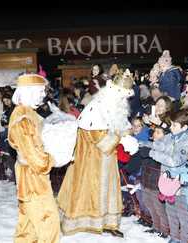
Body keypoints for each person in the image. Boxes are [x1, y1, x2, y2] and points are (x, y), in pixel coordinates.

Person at [58, 69, 134, 237]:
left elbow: (119, 125)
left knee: (108, 189)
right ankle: (83, 221)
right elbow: (96, 136)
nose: (124, 100)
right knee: (90, 188)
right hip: (91, 159)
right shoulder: (97, 107)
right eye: (122, 96)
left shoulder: (114, 106)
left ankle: (108, 222)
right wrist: (120, 138)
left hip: (107, 158)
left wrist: (127, 135)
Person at [8, 74, 60, 243]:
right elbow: (32, 154)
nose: (42, 95)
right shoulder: (23, 118)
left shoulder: (29, 113)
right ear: (27, 92)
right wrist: (51, 160)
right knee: (48, 221)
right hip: (32, 179)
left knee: (28, 225)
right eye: (39, 92)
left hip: (30, 176)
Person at [149, 108, 188, 243]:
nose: (171, 127)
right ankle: (174, 237)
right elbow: (158, 145)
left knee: (181, 214)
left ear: (184, 127)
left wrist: (153, 153)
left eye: (174, 125)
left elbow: (174, 161)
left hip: (181, 184)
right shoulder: (171, 137)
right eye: (171, 124)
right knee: (170, 212)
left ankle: (183, 239)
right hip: (167, 182)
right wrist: (143, 144)